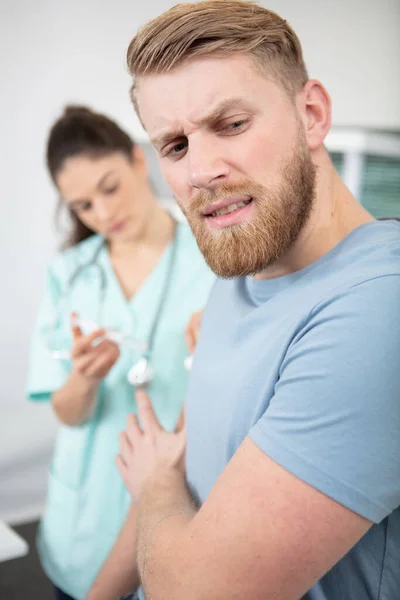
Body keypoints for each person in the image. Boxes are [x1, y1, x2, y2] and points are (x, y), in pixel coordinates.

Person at [112, 2, 400, 599]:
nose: (201, 171)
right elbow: (187, 459)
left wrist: (151, 488)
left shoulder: (380, 309)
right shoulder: (242, 266)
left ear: (312, 113)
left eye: (232, 124)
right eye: (174, 145)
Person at [26, 105, 214, 600]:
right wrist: (83, 379)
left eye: (109, 187)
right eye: (83, 206)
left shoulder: (215, 255)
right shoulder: (70, 273)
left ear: (137, 160)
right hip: (81, 524)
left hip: (177, 506)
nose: (103, 214)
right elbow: (66, 412)